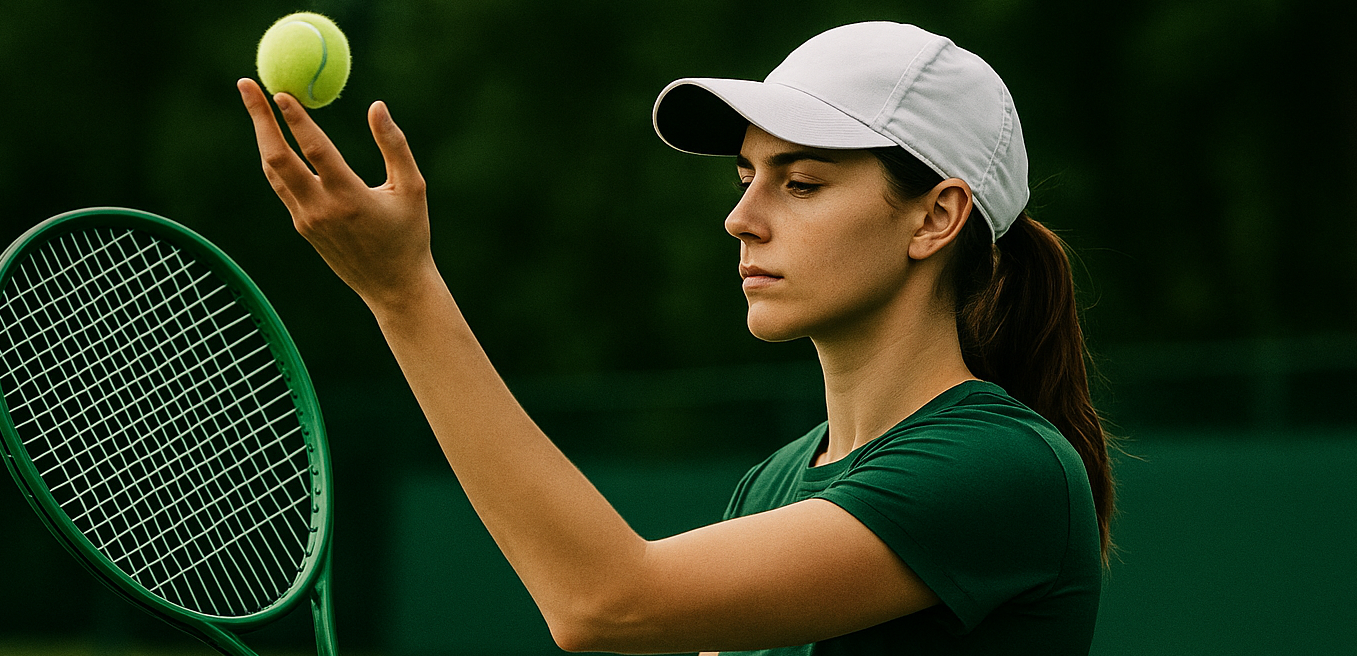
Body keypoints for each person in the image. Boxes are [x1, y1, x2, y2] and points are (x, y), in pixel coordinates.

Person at [238, 20, 1113, 655]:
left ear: (937, 217)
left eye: (800, 183)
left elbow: (606, 603)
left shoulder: (1002, 469)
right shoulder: (769, 485)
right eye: (745, 177)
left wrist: (402, 293)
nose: (740, 219)